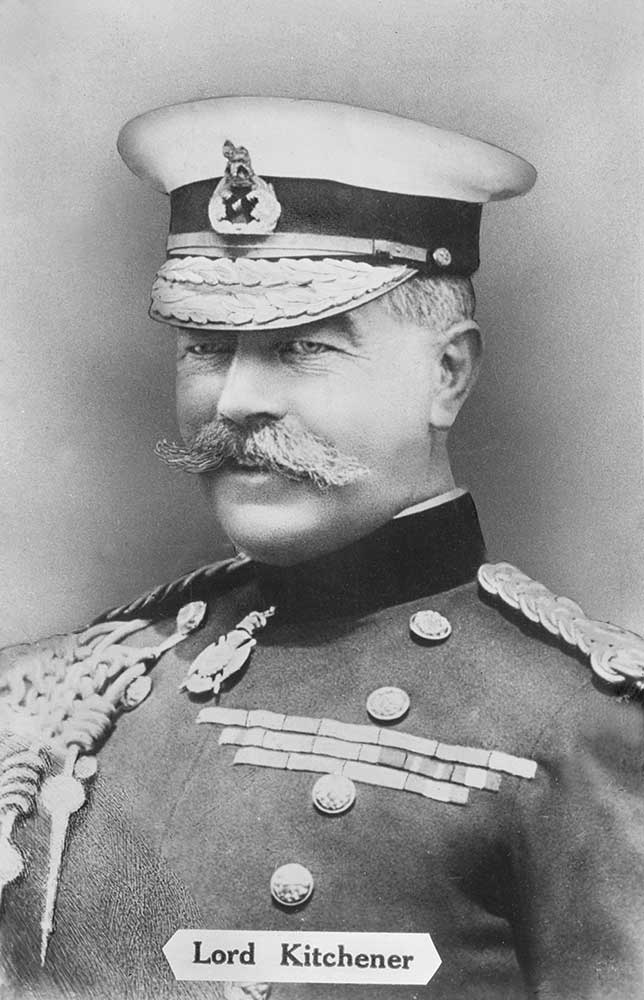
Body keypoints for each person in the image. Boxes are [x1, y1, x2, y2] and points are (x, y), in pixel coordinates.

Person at [0, 97, 642, 1000]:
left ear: (447, 374)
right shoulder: (80, 686)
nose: (232, 402)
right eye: (206, 346)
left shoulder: (575, 730)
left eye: (299, 347)